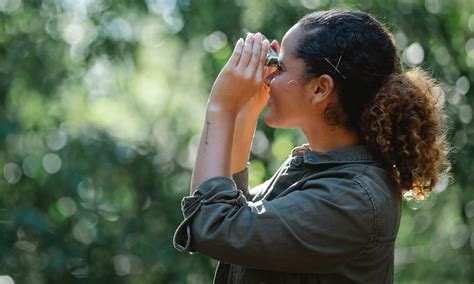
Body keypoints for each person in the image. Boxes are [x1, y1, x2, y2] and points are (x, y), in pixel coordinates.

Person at [173, 9, 451, 284]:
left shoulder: (354, 197)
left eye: (278, 67)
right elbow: (240, 216)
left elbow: (211, 226)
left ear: (320, 89)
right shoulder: (322, 166)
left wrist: (222, 107)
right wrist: (244, 113)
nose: (267, 77)